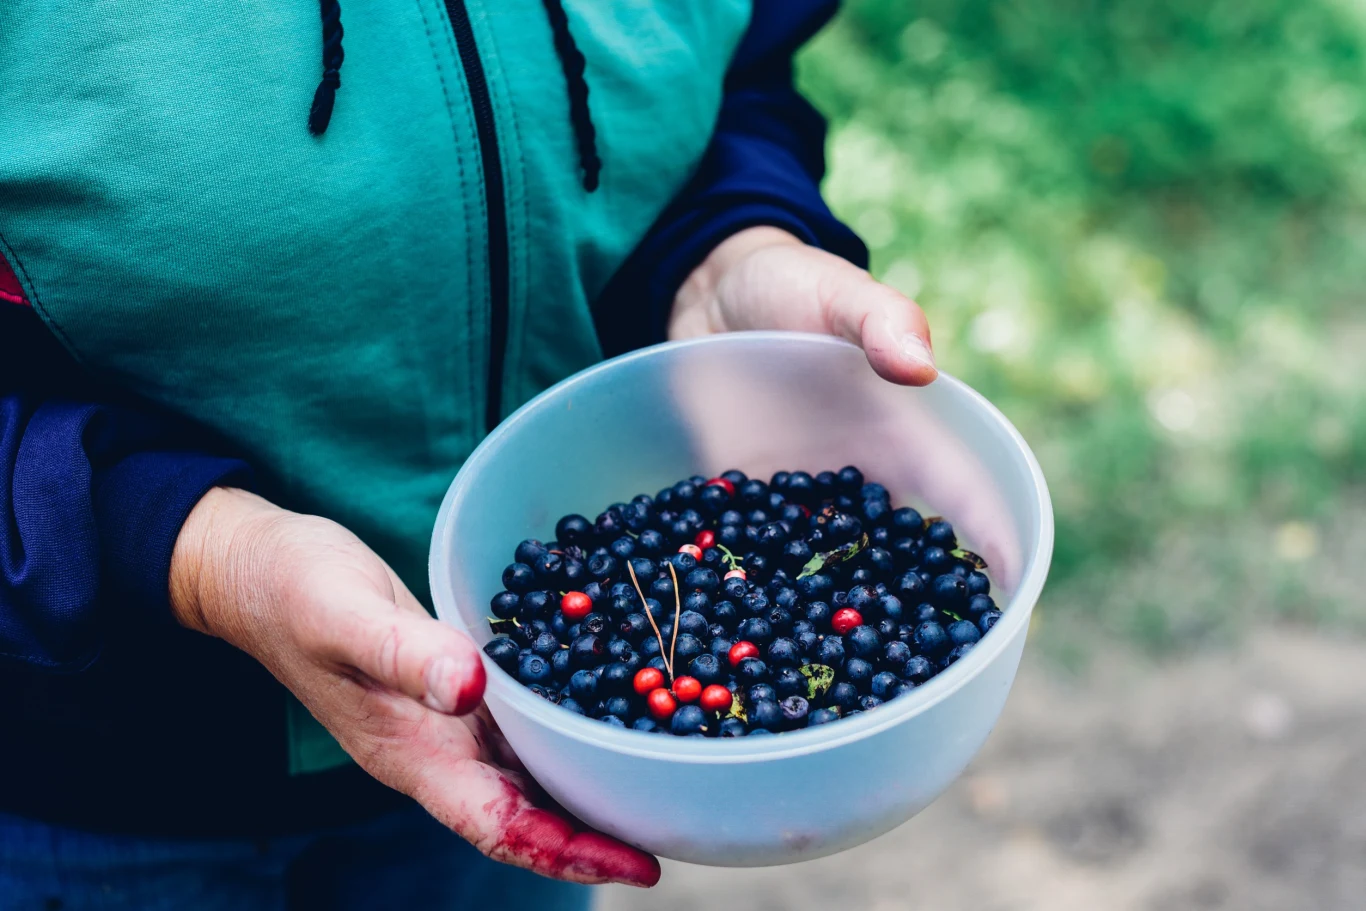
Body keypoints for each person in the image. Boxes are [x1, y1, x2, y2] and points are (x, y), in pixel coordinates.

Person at [0, 0, 935, 906]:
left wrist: (724, 242)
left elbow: (740, 63)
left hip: (523, 728)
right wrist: (188, 546)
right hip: (84, 784)